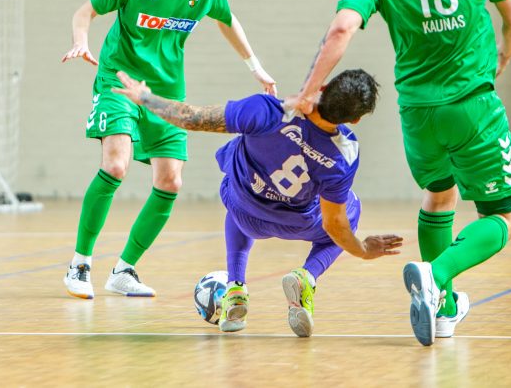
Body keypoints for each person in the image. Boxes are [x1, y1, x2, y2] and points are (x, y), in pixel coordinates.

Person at [293, 0, 511, 346]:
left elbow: (341, 29)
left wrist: (308, 92)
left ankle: (442, 313)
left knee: (440, 197)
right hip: (472, 105)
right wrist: (500, 60)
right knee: (506, 216)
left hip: (417, 115)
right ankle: (436, 275)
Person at [61, 0, 277, 299]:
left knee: (171, 180)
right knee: (116, 164)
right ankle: (79, 264)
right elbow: (84, 12)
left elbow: (227, 21)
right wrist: (80, 41)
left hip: (166, 92)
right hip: (119, 80)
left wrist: (256, 67)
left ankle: (124, 270)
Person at [113, 68, 403, 336]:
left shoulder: (267, 110)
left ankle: (235, 288)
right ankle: (307, 276)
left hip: (245, 211)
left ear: (323, 87)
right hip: (297, 223)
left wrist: (146, 98)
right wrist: (363, 250)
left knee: (234, 183)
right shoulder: (345, 153)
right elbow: (334, 225)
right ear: (355, 119)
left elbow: (192, 117)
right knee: (349, 211)